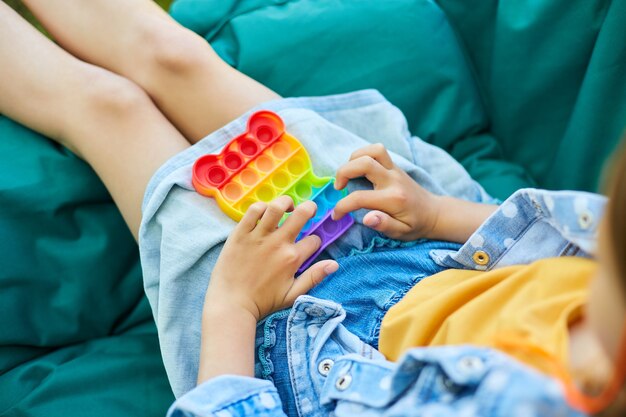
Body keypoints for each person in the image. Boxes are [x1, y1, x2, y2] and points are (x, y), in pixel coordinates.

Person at [0, 1, 624, 416]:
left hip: (282, 325)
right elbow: (575, 230)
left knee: (110, 108)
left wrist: (233, 304)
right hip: (419, 230)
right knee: (174, 56)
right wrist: (435, 212)